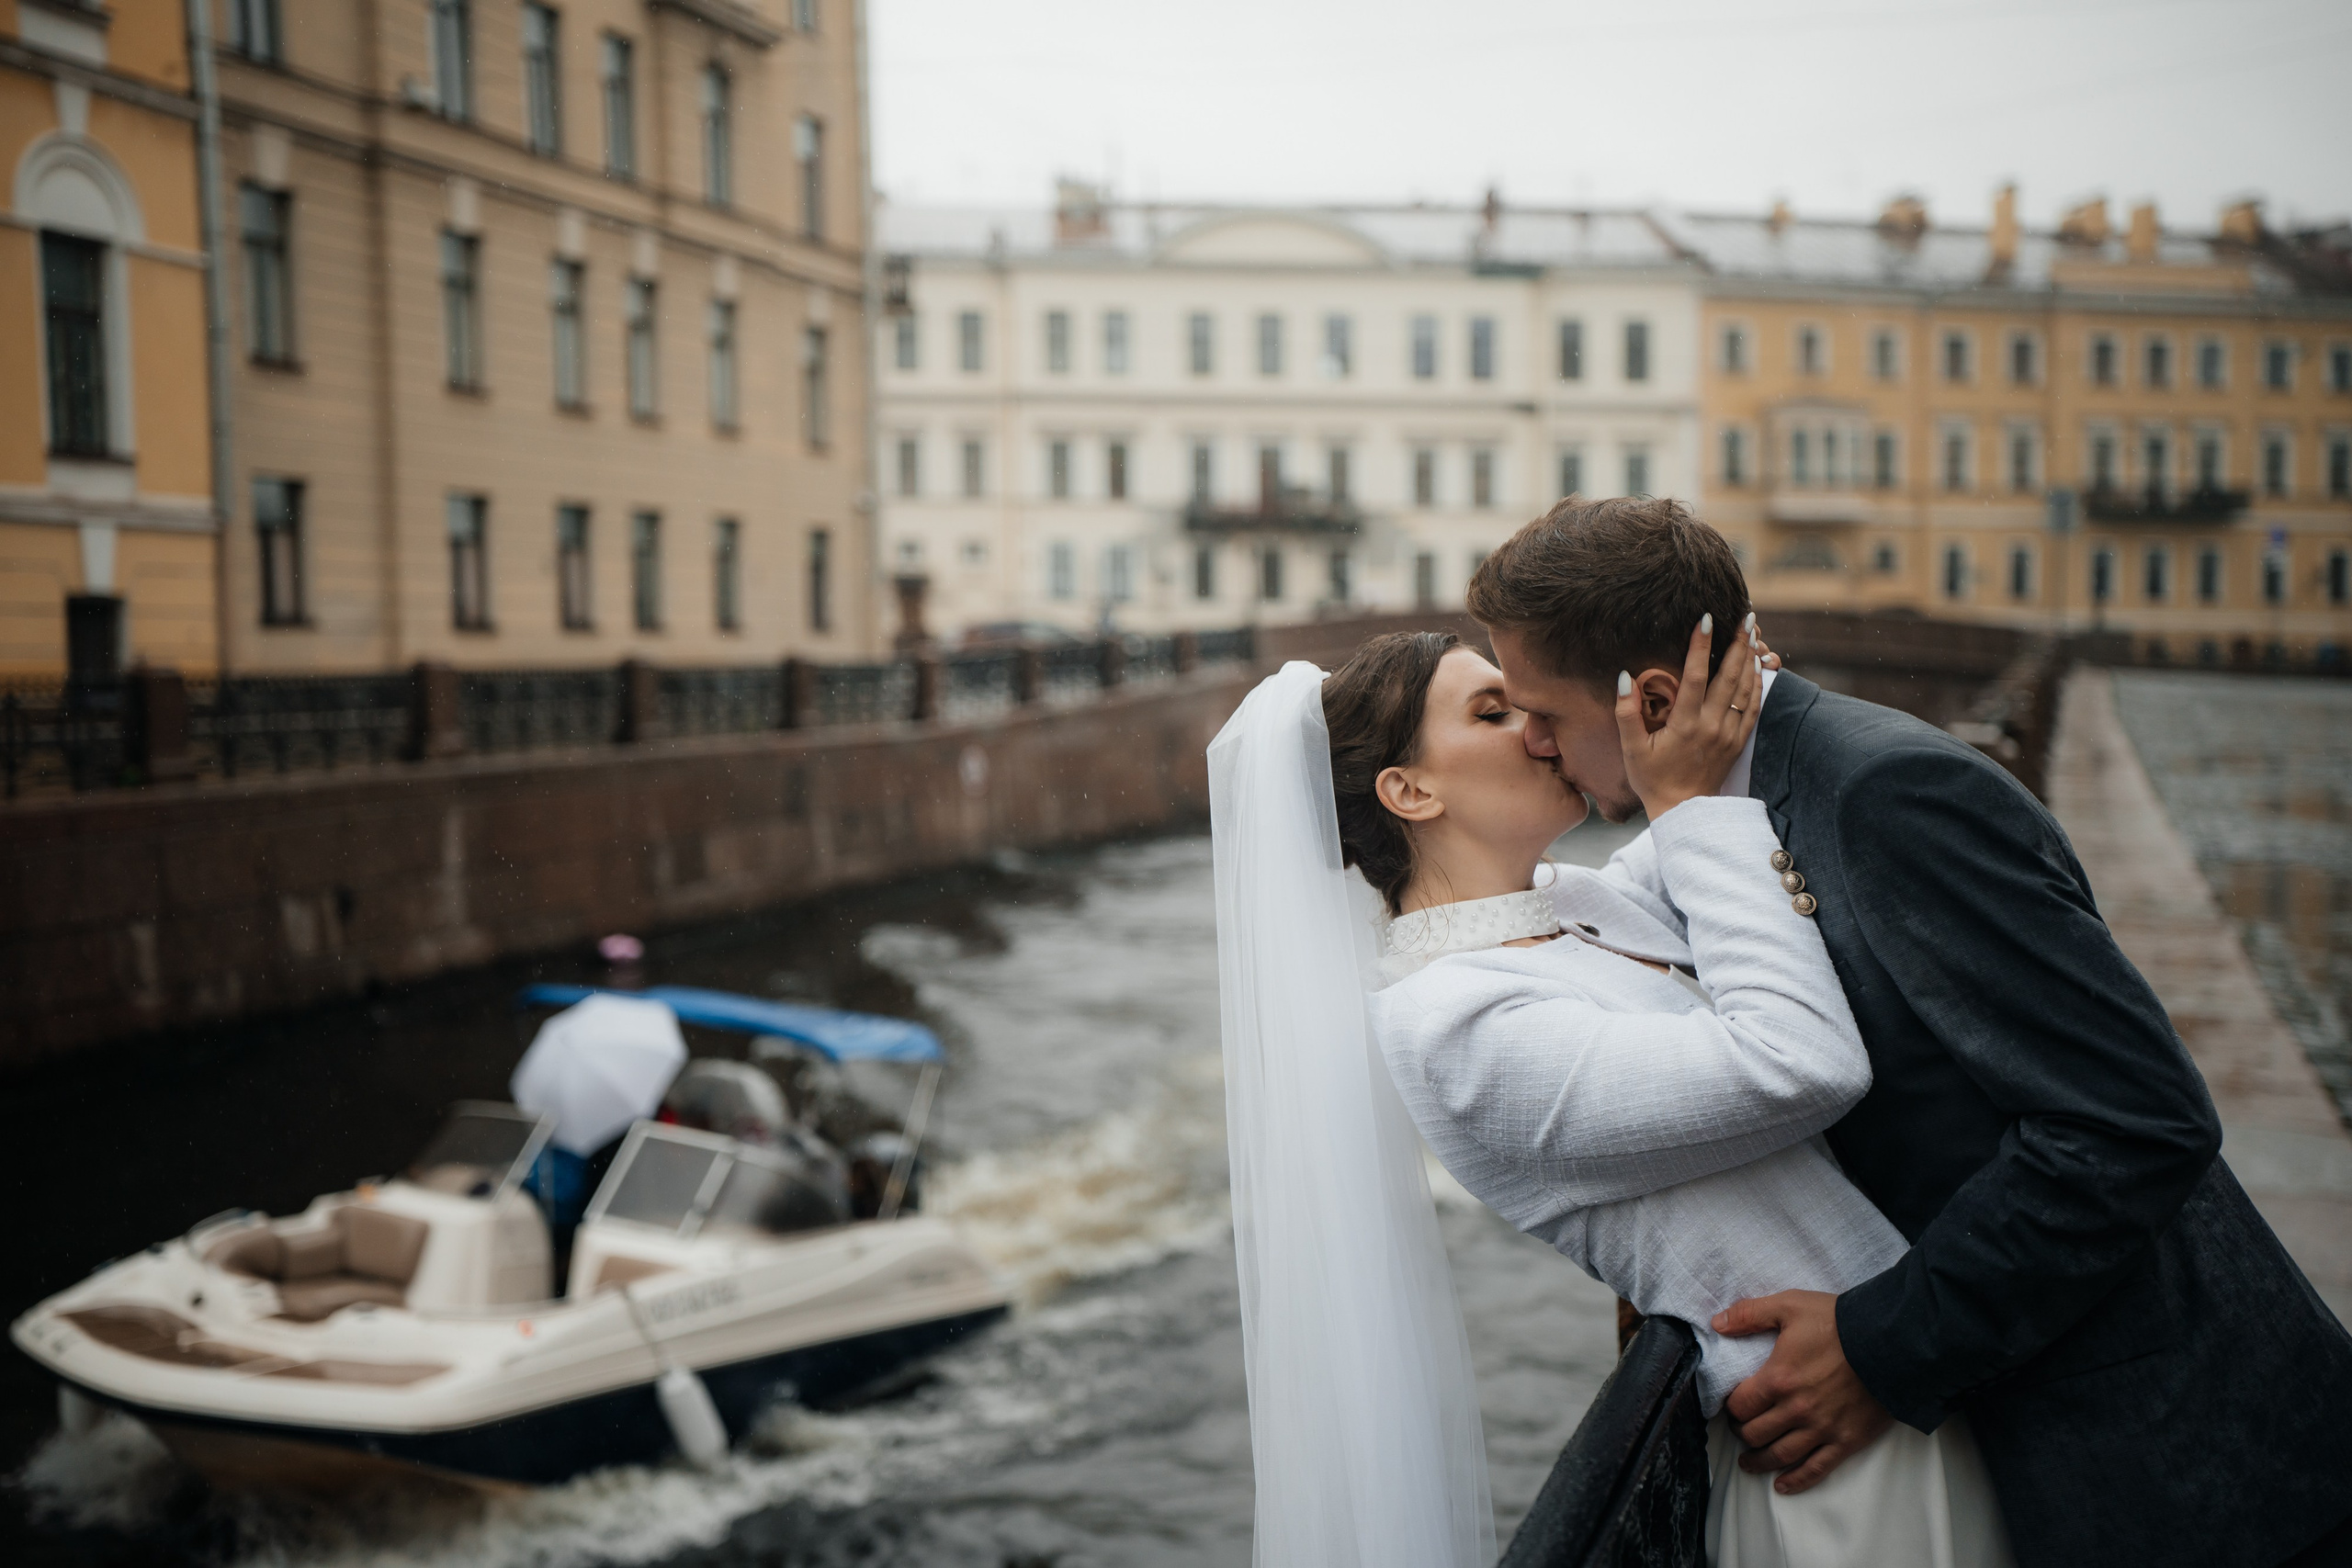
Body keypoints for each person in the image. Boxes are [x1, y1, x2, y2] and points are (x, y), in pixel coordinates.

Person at [1464, 494, 2352, 1568]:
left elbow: (2136, 1120)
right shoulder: (1734, 800)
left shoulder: (1887, 793)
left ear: (1652, 697)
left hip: (2173, 1455)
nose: (1536, 744)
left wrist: (1880, 1344)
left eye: (1543, 714)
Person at [1211, 630, 2013, 1568]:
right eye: (1493, 712)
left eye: (1530, 704)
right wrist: (1685, 800)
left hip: (1905, 1375)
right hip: (1839, 1467)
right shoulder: (1456, 1029)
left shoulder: (1568, 905)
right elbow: (1798, 1062)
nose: (1543, 732)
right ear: (1410, 791)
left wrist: (1719, 688)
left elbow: (1702, 819)